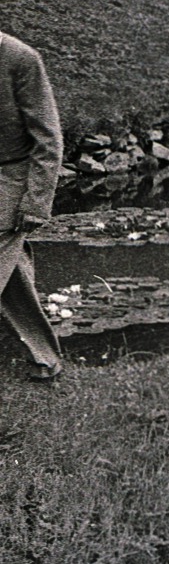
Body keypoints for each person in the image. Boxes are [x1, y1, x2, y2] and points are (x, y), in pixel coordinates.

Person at [0, 31, 65, 381]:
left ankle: (44, 359)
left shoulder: (20, 59)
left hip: (11, 177)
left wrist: (37, 201)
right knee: (12, 276)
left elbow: (48, 137)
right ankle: (44, 358)